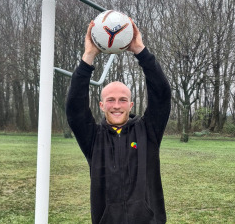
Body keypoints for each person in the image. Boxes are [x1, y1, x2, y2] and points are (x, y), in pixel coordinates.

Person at [66, 19, 171, 224]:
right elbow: (74, 108)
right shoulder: (93, 138)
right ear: (101, 105)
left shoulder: (148, 131)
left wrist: (140, 50)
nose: (116, 105)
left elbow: (161, 94)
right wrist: (89, 56)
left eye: (123, 100)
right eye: (110, 100)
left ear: (131, 106)